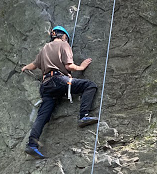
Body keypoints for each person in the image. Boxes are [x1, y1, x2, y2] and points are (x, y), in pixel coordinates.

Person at [21, 26, 99, 159]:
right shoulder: (64, 44)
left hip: (46, 86)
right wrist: (81, 67)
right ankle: (83, 115)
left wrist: (24, 68)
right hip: (59, 81)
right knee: (89, 85)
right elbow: (69, 66)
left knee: (43, 116)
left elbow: (33, 65)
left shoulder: (45, 48)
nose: (67, 40)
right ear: (63, 36)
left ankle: (31, 145)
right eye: (66, 38)